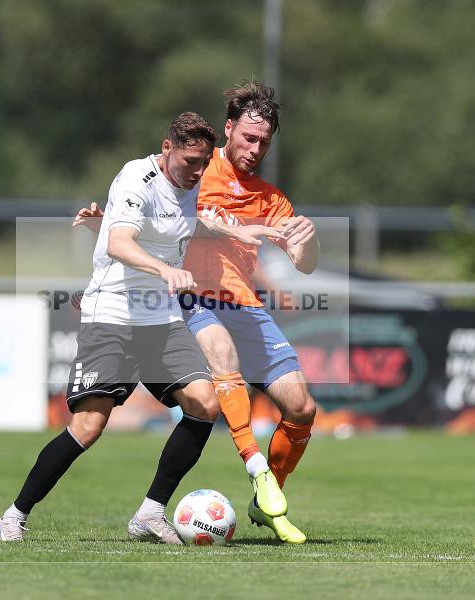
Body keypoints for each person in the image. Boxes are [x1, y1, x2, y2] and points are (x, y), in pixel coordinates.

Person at [74, 81, 319, 544]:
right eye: (248, 137)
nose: (255, 147)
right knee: (220, 354)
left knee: (301, 406)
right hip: (188, 296)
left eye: (264, 141)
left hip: (242, 303)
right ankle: (257, 469)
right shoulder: (197, 168)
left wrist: (309, 239)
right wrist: (102, 220)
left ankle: (267, 501)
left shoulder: (271, 198)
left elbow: (304, 264)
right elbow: (148, 213)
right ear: (229, 128)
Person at [0, 112, 222, 544]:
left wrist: (252, 230)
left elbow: (175, 225)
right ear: (167, 147)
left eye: (203, 162)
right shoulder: (138, 176)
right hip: (112, 315)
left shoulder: (191, 183)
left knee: (204, 404)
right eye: (190, 160)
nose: (197, 170)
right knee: (88, 427)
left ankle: (150, 515)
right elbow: (120, 243)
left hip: (160, 318)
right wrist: (163, 269)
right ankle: (14, 515)